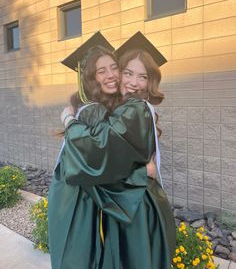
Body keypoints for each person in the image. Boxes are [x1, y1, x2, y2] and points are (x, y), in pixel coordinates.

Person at [48, 31, 176, 269]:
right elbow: (96, 157)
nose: (113, 76)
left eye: (114, 68)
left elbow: (110, 155)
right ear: (90, 78)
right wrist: (141, 171)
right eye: (101, 70)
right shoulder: (94, 111)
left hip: (118, 203)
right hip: (90, 205)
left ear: (150, 80)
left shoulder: (126, 108)